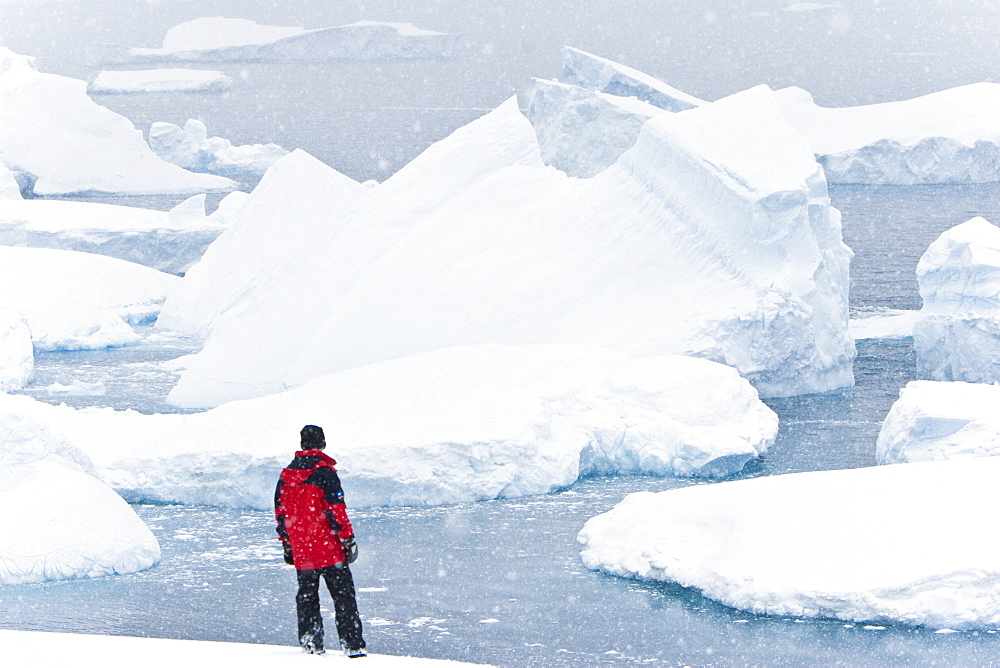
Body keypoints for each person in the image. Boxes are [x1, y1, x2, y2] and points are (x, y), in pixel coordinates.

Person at [275, 424, 366, 657]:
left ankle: (311, 644)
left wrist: (287, 543)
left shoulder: (286, 475)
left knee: (307, 597)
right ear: (323, 443)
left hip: (302, 550)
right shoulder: (325, 473)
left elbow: (281, 513)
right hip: (329, 547)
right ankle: (353, 645)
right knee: (343, 597)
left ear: (302, 444)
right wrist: (348, 539)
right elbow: (337, 510)